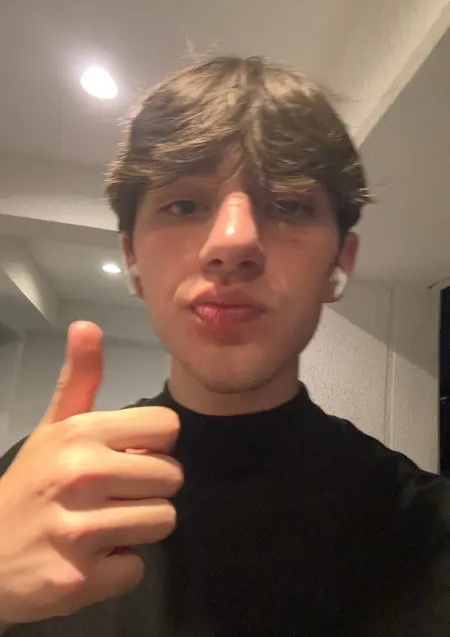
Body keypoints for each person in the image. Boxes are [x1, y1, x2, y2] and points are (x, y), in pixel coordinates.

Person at [0, 55, 448, 637]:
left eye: (288, 205)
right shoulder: (23, 499)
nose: (233, 243)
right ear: (132, 260)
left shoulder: (432, 534)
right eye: (184, 205)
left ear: (340, 263)